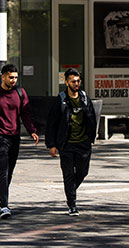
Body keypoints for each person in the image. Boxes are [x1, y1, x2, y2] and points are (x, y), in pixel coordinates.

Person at [0, 64, 39, 220]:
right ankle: (4, 205)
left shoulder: (20, 93)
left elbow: (26, 113)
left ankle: (0, 196)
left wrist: (31, 130)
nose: (13, 80)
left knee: (10, 171)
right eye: (11, 77)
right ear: (3, 76)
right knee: (3, 170)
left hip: (15, 137)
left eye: (16, 77)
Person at [45, 68, 97, 216]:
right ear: (66, 82)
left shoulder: (85, 98)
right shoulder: (60, 100)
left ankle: (71, 190)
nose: (76, 84)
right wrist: (52, 145)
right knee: (68, 174)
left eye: (78, 81)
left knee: (82, 172)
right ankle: (72, 205)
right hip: (66, 144)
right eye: (73, 81)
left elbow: (92, 117)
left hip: (83, 143)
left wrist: (92, 136)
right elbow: (52, 123)